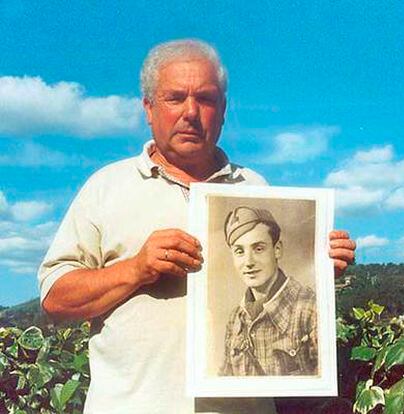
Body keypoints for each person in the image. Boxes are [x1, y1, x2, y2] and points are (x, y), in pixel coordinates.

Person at [38, 39, 356, 414]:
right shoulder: (106, 187)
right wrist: (136, 269)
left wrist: (319, 269)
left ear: (222, 111)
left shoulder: (256, 188)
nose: (191, 112)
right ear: (149, 108)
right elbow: (55, 300)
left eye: (205, 99)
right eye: (175, 98)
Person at [220, 206, 317, 377]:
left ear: (277, 249)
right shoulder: (236, 318)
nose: (248, 262)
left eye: (258, 248)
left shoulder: (310, 308)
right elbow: (223, 380)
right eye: (239, 251)